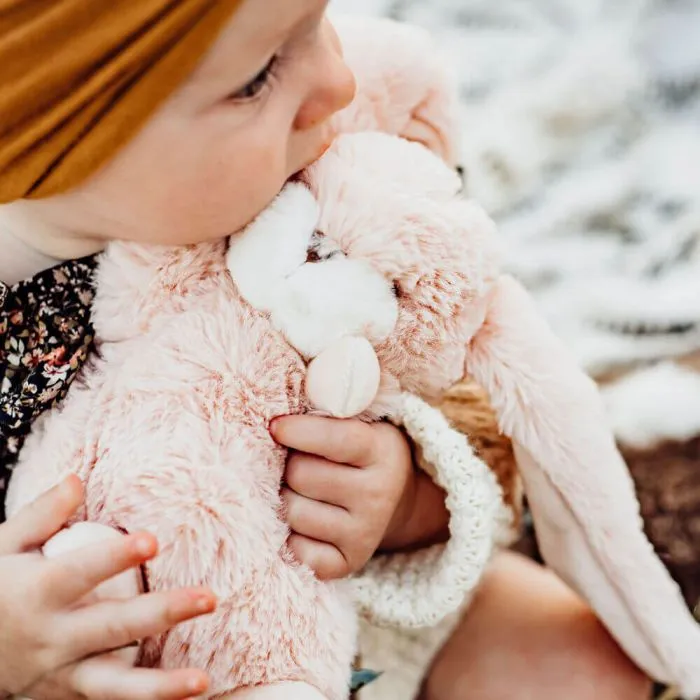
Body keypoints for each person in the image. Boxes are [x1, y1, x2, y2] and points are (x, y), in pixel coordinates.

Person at [0, 1, 652, 698]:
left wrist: (405, 500)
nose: (335, 82)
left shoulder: (329, 155)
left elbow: (469, 392)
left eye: (317, 18)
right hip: (88, 662)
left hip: (306, 609)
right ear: (55, 125)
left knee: (573, 660)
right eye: (256, 80)